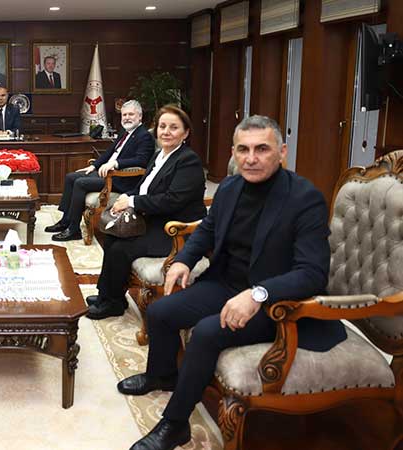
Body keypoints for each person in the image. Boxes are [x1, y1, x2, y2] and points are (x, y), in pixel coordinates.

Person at [121, 115, 346, 450]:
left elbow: (313, 273)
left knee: (207, 332)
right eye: (243, 149)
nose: (251, 158)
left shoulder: (305, 198)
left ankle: (175, 424)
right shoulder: (229, 188)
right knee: (161, 311)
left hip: (278, 303)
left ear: (282, 152)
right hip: (227, 284)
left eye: (262, 149)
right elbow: (207, 230)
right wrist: (183, 260)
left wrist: (259, 294)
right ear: (234, 152)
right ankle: (162, 375)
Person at [86, 105, 206, 320]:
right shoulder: (159, 155)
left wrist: (132, 201)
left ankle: (113, 304)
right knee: (111, 237)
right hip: (153, 219)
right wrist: (125, 198)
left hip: (175, 230)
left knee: (121, 248)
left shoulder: (188, 161)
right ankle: (107, 295)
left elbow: (172, 201)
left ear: (185, 133)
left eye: (174, 127)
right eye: (162, 126)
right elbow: (143, 187)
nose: (166, 132)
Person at [46, 100, 154, 241]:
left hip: (121, 179)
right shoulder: (125, 132)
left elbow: (142, 161)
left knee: (80, 183)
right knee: (71, 177)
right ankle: (65, 221)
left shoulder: (144, 136)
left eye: (131, 114)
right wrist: (94, 166)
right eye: (124, 115)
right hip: (106, 173)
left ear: (140, 116)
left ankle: (73, 229)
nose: (127, 118)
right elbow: (109, 152)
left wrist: (116, 163)